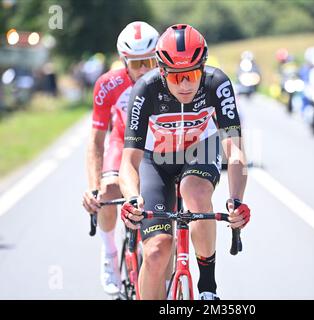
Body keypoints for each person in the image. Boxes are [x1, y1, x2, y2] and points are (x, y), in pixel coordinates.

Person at [119, 24, 251, 300]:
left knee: (195, 191)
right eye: (176, 77)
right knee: (156, 251)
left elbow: (235, 151)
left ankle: (207, 288)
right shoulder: (145, 89)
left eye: (192, 74)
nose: (186, 84)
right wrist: (132, 199)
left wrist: (236, 200)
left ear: (203, 67)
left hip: (200, 151)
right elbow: (129, 161)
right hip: (156, 160)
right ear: (162, 71)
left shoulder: (218, 83)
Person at [82, 21, 159, 296]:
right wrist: (93, 188)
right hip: (122, 142)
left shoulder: (167, 78)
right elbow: (96, 140)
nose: (143, 70)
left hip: (157, 145)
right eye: (135, 63)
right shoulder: (108, 84)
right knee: (108, 191)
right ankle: (110, 252)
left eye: (149, 61)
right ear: (123, 60)